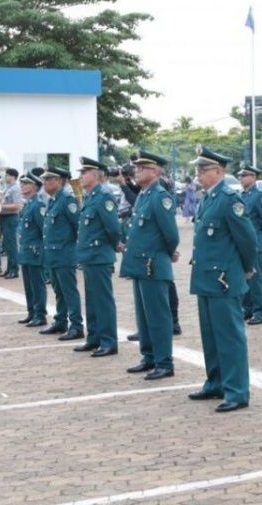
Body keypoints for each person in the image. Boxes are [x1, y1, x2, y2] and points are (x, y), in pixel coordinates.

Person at [187, 146, 258, 411]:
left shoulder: (229, 199)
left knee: (229, 336)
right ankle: (215, 382)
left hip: (224, 278)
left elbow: (247, 239)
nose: (198, 175)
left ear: (218, 171)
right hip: (206, 277)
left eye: (203, 170)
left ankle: (237, 391)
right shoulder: (207, 198)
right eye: (198, 170)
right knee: (211, 336)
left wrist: (247, 267)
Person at [121, 151, 181, 381]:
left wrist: (166, 254)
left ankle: (164, 362)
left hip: (153, 264)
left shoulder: (160, 197)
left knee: (158, 317)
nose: (136, 171)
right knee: (143, 316)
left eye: (141, 168)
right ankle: (149, 357)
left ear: (154, 171)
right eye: (135, 168)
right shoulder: (144, 195)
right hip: (140, 264)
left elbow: (170, 234)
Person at [73, 157, 122, 357]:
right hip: (89, 255)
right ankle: (94, 338)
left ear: (95, 175)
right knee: (92, 300)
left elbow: (112, 228)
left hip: (99, 254)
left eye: (84, 173)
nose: (80, 176)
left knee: (102, 300)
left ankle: (109, 341)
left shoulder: (103, 196)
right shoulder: (90, 196)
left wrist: (111, 247)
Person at [36, 167, 84, 341]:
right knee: (58, 291)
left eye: (49, 180)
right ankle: (61, 320)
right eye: (45, 180)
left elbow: (78, 226)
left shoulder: (67, 200)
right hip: (53, 254)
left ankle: (77, 325)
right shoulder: (54, 200)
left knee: (69, 291)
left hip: (65, 253)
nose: (45, 183)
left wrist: (77, 251)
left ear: (59, 181)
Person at [238, 164, 262, 325]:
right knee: (245, 277)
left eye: (244, 175)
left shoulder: (259, 196)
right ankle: (248, 309)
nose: (240, 178)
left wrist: (259, 234)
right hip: (244, 244)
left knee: (256, 279)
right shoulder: (242, 195)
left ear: (253, 177)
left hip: (255, 243)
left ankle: (260, 312)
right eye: (240, 176)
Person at [15, 173, 48, 327]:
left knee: (37, 284)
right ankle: (31, 312)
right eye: (22, 184)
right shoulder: (28, 204)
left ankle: (40, 314)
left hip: (35, 249)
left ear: (35, 187)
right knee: (28, 284)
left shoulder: (38, 205)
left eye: (26, 184)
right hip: (26, 249)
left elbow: (44, 229)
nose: (22, 186)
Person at [0, 168, 23, 279]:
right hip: (4, 217)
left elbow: (17, 206)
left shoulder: (15, 189)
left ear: (12, 176)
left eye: (7, 175)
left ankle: (14, 269)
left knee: (11, 244)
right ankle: (9, 268)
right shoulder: (8, 188)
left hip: (11, 217)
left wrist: (0, 206)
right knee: (7, 245)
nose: (5, 177)